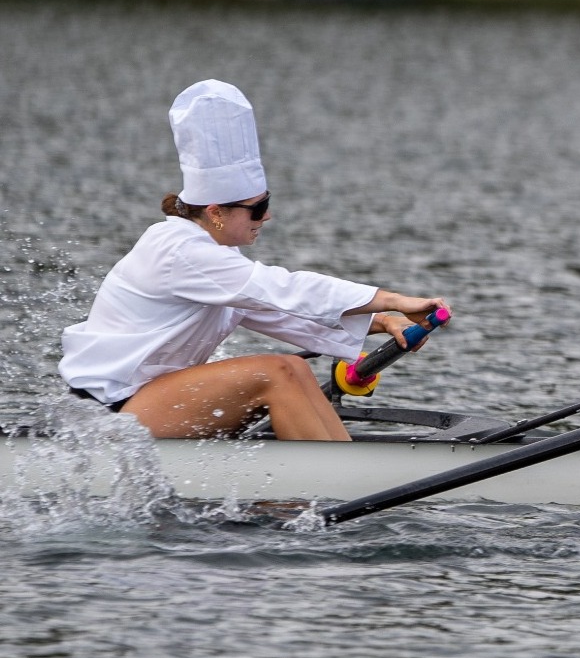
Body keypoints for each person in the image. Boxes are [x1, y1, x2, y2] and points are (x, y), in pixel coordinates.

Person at [58, 80, 449, 442]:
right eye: (258, 208)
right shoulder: (180, 251)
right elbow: (283, 288)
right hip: (107, 415)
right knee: (280, 372)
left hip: (144, 400)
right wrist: (395, 299)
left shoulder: (215, 259)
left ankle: (331, 480)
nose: (267, 217)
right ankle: (333, 487)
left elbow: (279, 311)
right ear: (216, 212)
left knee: (291, 370)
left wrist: (382, 322)